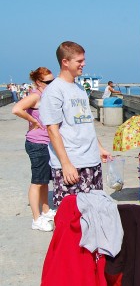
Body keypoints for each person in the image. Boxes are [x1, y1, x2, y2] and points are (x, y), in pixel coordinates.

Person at [40, 41, 111, 207]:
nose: (83, 64)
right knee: (72, 217)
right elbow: (52, 130)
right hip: (73, 164)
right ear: (65, 62)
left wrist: (99, 148)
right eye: (79, 61)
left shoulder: (79, 88)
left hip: (91, 161)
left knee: (95, 212)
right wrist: (66, 164)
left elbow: (86, 123)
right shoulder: (54, 91)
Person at [11, 67, 56, 231]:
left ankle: (46, 210)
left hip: (46, 143)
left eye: (53, 80)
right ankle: (36, 219)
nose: (52, 84)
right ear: (38, 82)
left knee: (44, 179)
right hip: (36, 143)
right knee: (37, 180)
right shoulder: (36, 96)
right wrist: (33, 121)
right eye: (48, 82)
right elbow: (16, 109)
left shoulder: (46, 95)